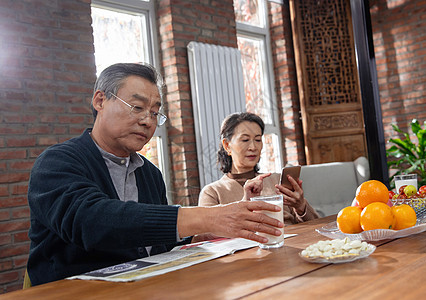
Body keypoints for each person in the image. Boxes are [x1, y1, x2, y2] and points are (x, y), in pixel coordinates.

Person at [26, 63, 283, 286]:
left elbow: (154, 246)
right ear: (100, 100)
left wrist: (203, 234)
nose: (147, 121)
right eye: (137, 107)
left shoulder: (149, 173)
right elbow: (92, 221)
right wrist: (207, 217)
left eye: (154, 113)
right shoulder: (57, 162)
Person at [198, 112, 319, 225]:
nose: (253, 147)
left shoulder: (278, 180)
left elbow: (315, 225)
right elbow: (204, 237)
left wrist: (301, 207)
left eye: (257, 140)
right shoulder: (212, 192)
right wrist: (245, 204)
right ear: (227, 145)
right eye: (245, 140)